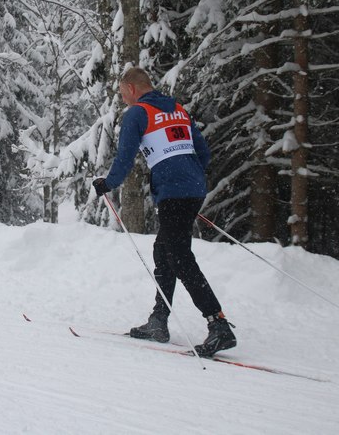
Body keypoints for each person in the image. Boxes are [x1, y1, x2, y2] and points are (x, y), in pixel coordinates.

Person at [92, 67, 236, 358]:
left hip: (174, 190)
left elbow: (125, 158)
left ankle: (218, 324)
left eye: (123, 93)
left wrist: (107, 183)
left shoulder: (137, 113)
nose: (123, 99)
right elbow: (203, 152)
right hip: (192, 187)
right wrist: (189, 178)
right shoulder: (178, 110)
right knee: (164, 250)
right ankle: (159, 319)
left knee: (179, 257)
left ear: (132, 89)